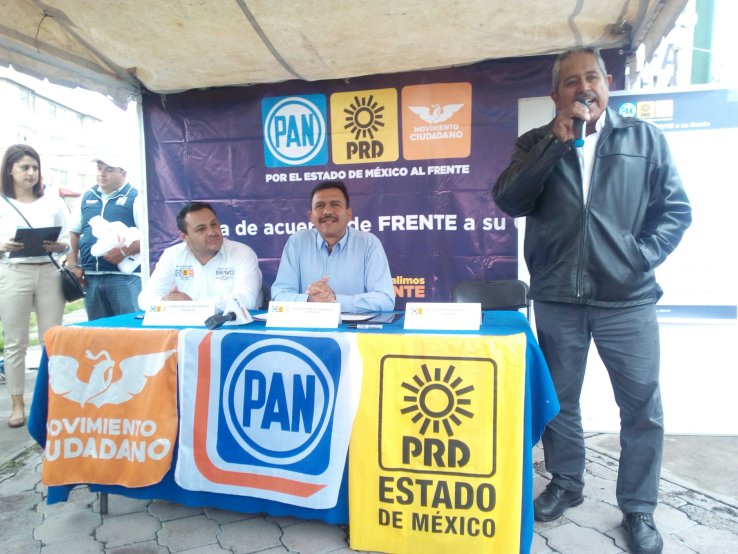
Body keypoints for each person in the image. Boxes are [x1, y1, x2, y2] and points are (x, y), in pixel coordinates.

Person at [492, 47, 691, 554]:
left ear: (607, 84)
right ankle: (566, 483)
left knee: (641, 408)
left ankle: (638, 507)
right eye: (571, 81)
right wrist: (553, 144)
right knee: (560, 402)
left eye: (592, 77)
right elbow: (509, 200)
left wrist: (640, 256)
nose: (584, 87)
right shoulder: (536, 141)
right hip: (559, 297)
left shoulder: (643, 139)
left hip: (628, 300)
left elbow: (675, 210)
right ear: (555, 93)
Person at [0, 144, 69, 428]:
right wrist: (2, 246)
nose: (31, 173)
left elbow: (67, 240)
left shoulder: (52, 202)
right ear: (10, 170)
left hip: (49, 272)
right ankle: (17, 404)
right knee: (15, 342)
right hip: (13, 272)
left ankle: (54, 400)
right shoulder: (2, 202)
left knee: (51, 339)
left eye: (35, 167)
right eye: (24, 167)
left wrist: (59, 245)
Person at [271, 180, 395, 313]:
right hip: (308, 324)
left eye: (335, 204)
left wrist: (333, 300)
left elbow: (385, 300)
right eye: (320, 205)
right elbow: (279, 296)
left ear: (348, 214)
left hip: (355, 326)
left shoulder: (369, 244)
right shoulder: (297, 242)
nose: (327, 211)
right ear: (310, 217)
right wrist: (309, 301)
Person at [138, 201, 263, 312]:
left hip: (230, 327)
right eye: (201, 229)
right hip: (183, 326)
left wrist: (192, 305)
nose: (212, 232)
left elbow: (246, 301)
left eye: (214, 224)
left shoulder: (242, 253)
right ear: (184, 236)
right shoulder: (173, 255)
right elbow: (145, 299)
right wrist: (167, 303)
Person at [66, 154, 141, 320]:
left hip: (125, 278)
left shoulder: (136, 197)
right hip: (91, 276)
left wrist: (124, 252)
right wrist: (73, 264)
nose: (102, 174)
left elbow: (150, 237)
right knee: (98, 330)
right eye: (99, 169)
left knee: (129, 328)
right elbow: (73, 232)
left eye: (109, 169)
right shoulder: (87, 196)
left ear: (123, 173)